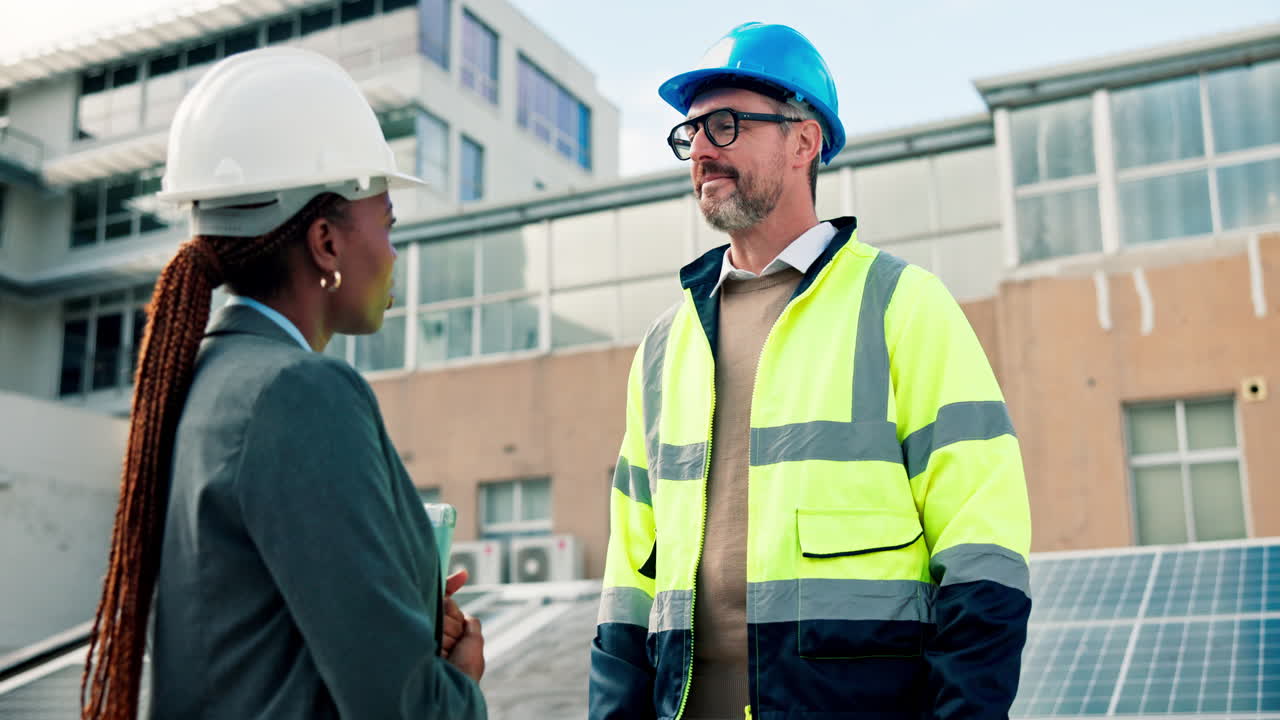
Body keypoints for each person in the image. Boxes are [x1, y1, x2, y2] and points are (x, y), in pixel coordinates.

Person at [590, 22, 1031, 720]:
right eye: (692, 133)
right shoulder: (663, 346)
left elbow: (983, 547)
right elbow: (627, 578)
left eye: (726, 125)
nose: (701, 149)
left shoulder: (903, 306)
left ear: (804, 140)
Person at [80, 48, 487, 720]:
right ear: (326, 242)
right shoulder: (299, 393)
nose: (392, 253)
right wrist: (461, 682)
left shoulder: (204, 383)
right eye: (387, 224)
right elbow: (401, 707)